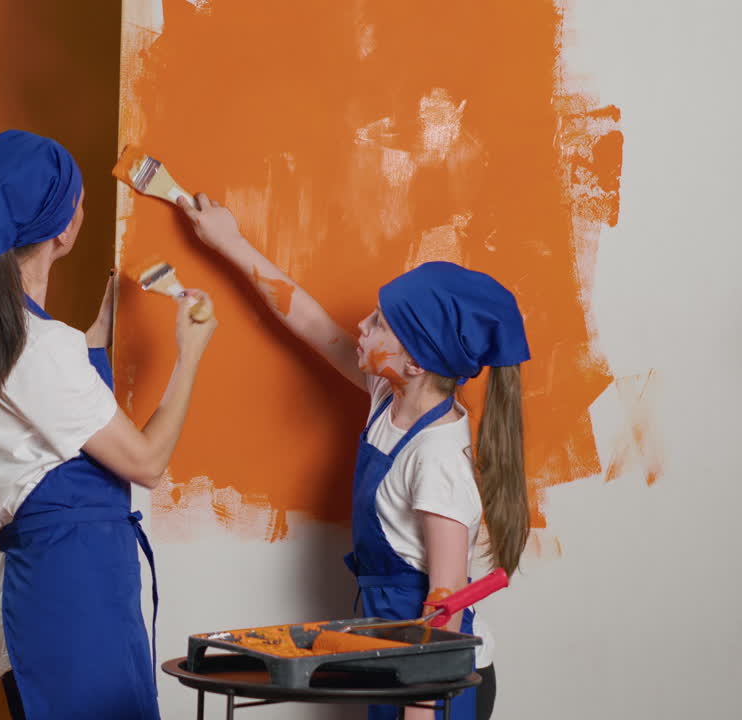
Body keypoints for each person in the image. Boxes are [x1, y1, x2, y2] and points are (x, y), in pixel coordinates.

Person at [176, 193, 530, 720]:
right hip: (394, 665)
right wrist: (229, 242)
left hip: (439, 684)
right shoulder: (389, 398)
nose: (361, 327)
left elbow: (446, 602)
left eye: (380, 324)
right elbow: (313, 322)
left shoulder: (436, 458)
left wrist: (418, 709)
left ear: (416, 363)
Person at [0, 130, 217, 720]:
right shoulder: (41, 348)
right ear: (62, 230)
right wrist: (190, 354)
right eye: (82, 203)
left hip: (30, 594)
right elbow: (146, 462)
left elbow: (32, 405)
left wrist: (96, 333)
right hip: (74, 597)